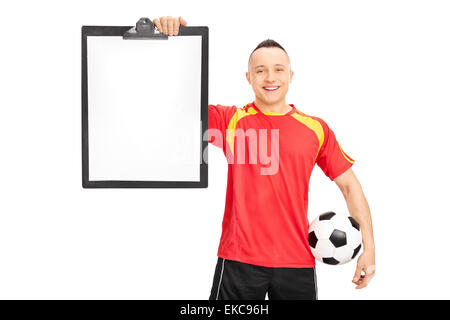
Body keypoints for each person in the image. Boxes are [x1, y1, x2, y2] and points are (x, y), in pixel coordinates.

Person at [153, 16, 376, 300]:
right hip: (239, 261)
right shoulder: (230, 121)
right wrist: (170, 40)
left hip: (296, 262)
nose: (270, 78)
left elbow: (350, 187)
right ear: (249, 77)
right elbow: (178, 104)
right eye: (260, 71)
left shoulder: (316, 129)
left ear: (291, 75)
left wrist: (368, 248)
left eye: (278, 70)